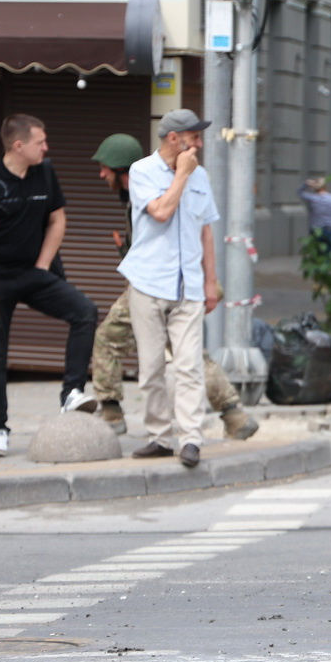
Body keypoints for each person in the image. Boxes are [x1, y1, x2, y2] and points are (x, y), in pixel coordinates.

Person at [89, 133, 259, 441]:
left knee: (108, 338)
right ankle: (234, 413)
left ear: (120, 170)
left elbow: (177, 232)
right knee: (188, 355)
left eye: (105, 169)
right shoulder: (146, 190)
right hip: (184, 279)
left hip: (167, 283)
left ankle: (112, 412)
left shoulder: (155, 190)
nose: (101, 175)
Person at [0, 114, 98, 457]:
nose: (46, 147)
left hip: (33, 273)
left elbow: (58, 219)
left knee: (85, 312)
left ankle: (72, 393)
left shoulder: (45, 173)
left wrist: (42, 265)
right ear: (19, 145)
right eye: (41, 141)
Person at [117, 109, 221, 468]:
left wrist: (210, 281)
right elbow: (161, 212)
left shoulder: (200, 175)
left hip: (188, 284)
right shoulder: (141, 171)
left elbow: (206, 228)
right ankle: (159, 436)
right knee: (151, 369)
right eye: (194, 136)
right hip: (148, 282)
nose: (200, 143)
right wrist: (181, 175)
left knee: (189, 366)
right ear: (174, 139)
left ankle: (191, 438)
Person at [299, 176, 331, 251]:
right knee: (329, 253)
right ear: (325, 186)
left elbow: (300, 193)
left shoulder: (312, 198)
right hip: (329, 229)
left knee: (316, 253)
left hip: (315, 230)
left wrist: (306, 184)